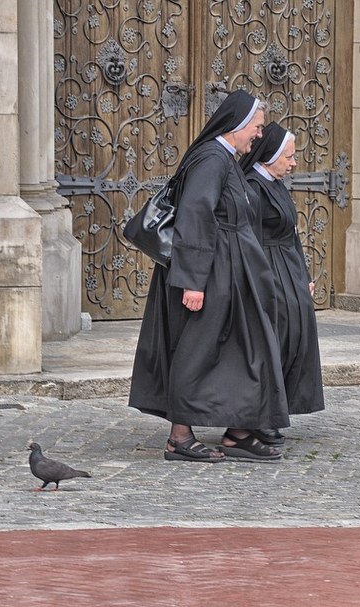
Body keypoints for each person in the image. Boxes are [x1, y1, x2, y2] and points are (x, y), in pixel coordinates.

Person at [128, 90, 288, 462]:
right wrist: (194, 282)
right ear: (238, 126)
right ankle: (179, 437)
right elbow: (194, 218)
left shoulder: (226, 159)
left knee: (244, 351)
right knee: (197, 352)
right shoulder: (211, 160)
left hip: (231, 274)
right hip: (211, 275)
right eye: (257, 128)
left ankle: (238, 430)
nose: (259, 136)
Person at [239, 123, 325, 439]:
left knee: (293, 340)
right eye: (288, 157)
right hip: (265, 271)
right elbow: (246, 239)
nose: (294, 163)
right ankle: (258, 417)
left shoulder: (275, 184)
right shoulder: (250, 188)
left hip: (286, 270)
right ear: (270, 156)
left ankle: (276, 409)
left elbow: (290, 237)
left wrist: (302, 277)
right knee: (269, 343)